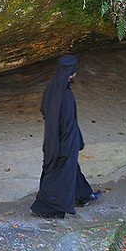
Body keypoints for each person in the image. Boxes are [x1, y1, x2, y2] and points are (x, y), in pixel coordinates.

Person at [31, 55, 101, 219]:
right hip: (65, 141)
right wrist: (74, 142)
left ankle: (84, 196)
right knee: (59, 173)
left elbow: (44, 111)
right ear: (71, 74)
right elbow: (69, 124)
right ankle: (46, 207)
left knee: (70, 169)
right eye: (74, 73)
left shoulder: (51, 89)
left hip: (52, 139)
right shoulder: (67, 96)